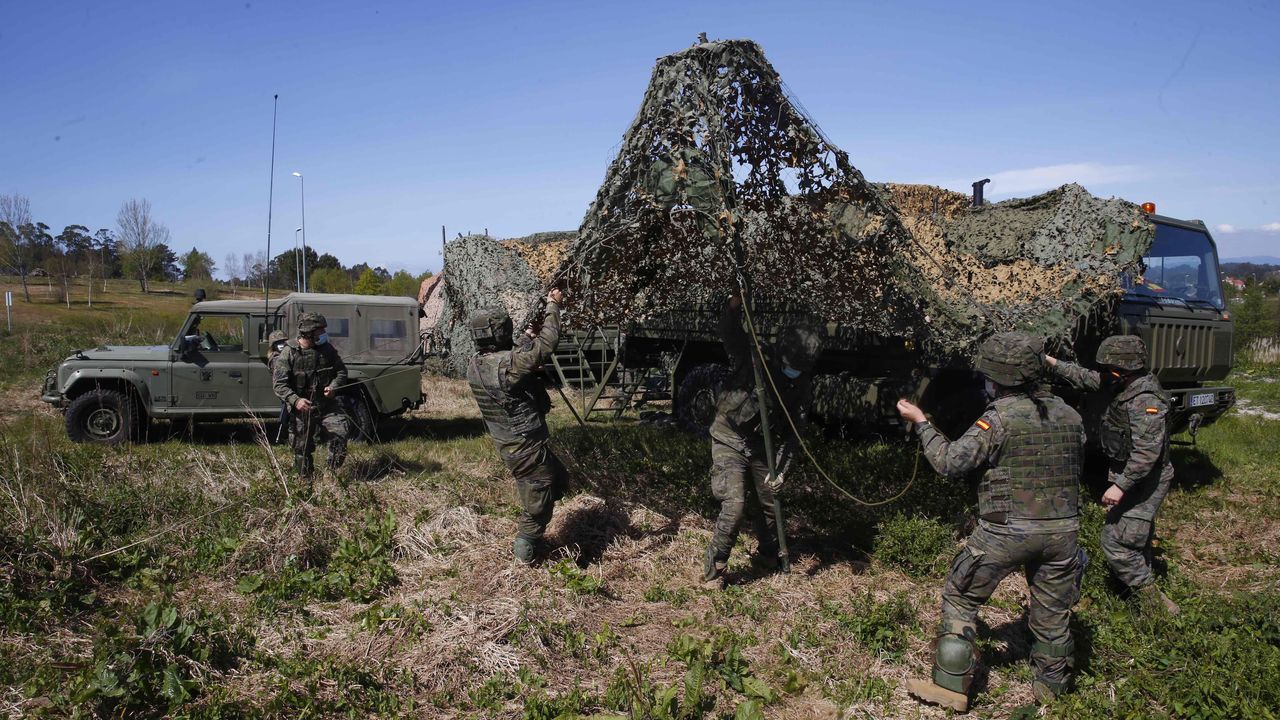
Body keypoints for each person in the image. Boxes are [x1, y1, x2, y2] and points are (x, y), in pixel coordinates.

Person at [896, 332, 1087, 711]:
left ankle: (951, 687)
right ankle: (1052, 691)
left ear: (997, 376)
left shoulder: (998, 419)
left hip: (1006, 530)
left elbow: (950, 462)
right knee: (1052, 613)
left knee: (961, 596)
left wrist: (922, 423)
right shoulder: (1071, 414)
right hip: (1063, 531)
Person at [1045, 335, 1179, 614]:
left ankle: (1158, 608)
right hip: (1133, 475)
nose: (1104, 374)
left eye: (1109, 368)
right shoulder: (1124, 382)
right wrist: (1051, 362)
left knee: (1116, 543)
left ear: (1123, 369)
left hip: (1146, 480)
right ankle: (1131, 588)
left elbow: (1146, 454)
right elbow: (1086, 378)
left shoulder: (1144, 400)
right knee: (1133, 537)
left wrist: (1120, 486)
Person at [703, 293, 821, 584]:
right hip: (729, 437)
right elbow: (729, 333)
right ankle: (716, 561)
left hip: (758, 445)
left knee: (771, 501)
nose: (793, 371)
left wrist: (781, 470)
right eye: (789, 364)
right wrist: (732, 307)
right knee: (735, 504)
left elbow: (794, 434)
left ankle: (768, 553)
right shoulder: (755, 356)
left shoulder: (802, 387)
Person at [466, 288, 567, 564]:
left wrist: (526, 337)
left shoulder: (475, 364)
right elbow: (548, 344)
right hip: (526, 448)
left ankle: (538, 532)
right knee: (537, 507)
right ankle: (525, 555)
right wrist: (553, 306)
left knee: (559, 479)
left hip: (513, 445)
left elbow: (510, 358)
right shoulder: (507, 365)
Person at [273, 312, 349, 484]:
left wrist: (334, 387)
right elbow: (279, 385)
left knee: (340, 434)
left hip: (327, 405)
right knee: (301, 447)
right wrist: (296, 400)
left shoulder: (327, 350)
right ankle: (305, 480)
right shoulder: (289, 353)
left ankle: (332, 476)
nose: (323, 333)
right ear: (308, 332)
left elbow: (341, 372)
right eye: (320, 330)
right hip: (302, 408)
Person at [266, 330, 291, 443]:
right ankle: (283, 436)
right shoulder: (276, 358)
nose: (281, 344)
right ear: (273, 345)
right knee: (286, 414)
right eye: (278, 342)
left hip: (287, 388)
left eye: (283, 341)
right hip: (284, 389)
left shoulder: (284, 355)